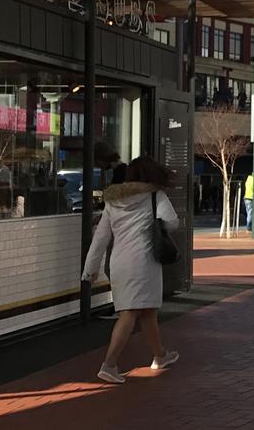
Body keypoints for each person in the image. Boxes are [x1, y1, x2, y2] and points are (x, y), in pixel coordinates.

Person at [81, 156, 181, 384]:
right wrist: (155, 224)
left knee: (146, 310)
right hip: (145, 262)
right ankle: (109, 364)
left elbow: (100, 238)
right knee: (130, 312)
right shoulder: (156, 196)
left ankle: (160, 355)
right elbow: (172, 222)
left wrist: (90, 268)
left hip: (119, 263)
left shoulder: (113, 201)